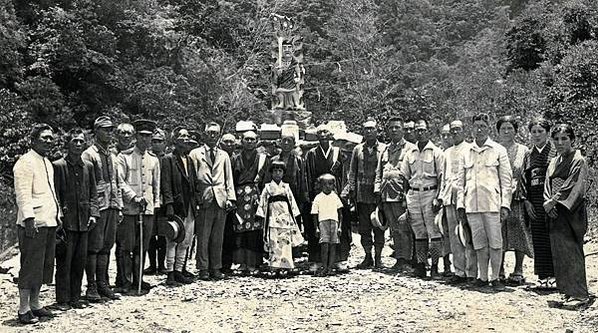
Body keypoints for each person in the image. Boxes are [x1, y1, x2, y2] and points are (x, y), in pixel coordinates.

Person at [456, 113, 512, 291]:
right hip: (472, 204)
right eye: (476, 126)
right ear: (472, 128)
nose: (479, 129)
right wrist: (460, 205)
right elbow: (460, 181)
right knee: (479, 243)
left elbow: (506, 181)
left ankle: (495, 277)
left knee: (495, 243)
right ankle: (482, 277)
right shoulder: (466, 151)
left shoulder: (498, 150)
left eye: (483, 126)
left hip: (493, 204)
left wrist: (505, 204)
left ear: (489, 129)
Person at [13, 123, 61, 324]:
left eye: (51, 138)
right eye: (44, 138)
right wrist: (29, 219)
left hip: (48, 221)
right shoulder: (25, 162)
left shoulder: (47, 162)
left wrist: (57, 216)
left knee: (43, 266)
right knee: (30, 266)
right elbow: (23, 194)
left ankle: (35, 303)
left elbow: (49, 193)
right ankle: (23, 309)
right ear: (33, 140)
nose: (48, 141)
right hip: (33, 223)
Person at [543, 124, 591, 308]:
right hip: (554, 210)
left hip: (571, 209)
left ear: (572, 139)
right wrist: (547, 203)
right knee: (559, 251)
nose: (560, 142)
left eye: (564, 138)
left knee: (572, 250)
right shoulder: (554, 161)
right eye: (556, 139)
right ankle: (566, 291)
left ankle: (580, 294)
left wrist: (553, 201)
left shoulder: (579, 160)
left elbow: (574, 186)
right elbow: (547, 184)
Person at [53, 128, 100, 309]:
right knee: (65, 261)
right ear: (68, 143)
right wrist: (59, 215)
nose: (78, 144)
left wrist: (94, 214)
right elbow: (55, 193)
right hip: (67, 222)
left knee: (80, 260)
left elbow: (93, 193)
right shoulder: (58, 166)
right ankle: (63, 299)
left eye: (81, 141)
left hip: (84, 221)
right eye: (75, 141)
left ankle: (75, 297)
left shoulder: (88, 166)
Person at [116, 119, 161, 294]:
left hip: (147, 209)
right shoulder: (124, 157)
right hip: (129, 208)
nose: (145, 140)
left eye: (148, 136)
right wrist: (134, 197)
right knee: (127, 246)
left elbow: (155, 184)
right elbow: (120, 181)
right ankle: (125, 281)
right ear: (136, 137)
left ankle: (138, 278)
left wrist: (155, 204)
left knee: (142, 245)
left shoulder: (154, 160)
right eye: (141, 136)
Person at [81, 116, 122, 301]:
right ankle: (91, 286)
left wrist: (119, 206)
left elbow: (117, 182)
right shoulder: (89, 154)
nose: (108, 133)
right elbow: (87, 184)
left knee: (107, 246)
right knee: (94, 247)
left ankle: (103, 283)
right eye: (105, 129)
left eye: (110, 129)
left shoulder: (112, 156)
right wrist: (92, 209)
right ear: (96, 131)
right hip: (98, 206)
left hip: (112, 205)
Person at [190, 122, 236, 280]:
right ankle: (203, 268)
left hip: (221, 197)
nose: (212, 136)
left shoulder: (224, 155)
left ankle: (216, 267)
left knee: (218, 236)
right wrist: (196, 198)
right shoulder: (195, 154)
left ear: (219, 136)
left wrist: (230, 198)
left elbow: (228, 178)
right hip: (205, 197)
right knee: (203, 236)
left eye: (215, 133)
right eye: (209, 132)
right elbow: (192, 179)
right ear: (204, 134)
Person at [400, 119, 444, 279]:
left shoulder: (436, 152)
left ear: (428, 131)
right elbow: (405, 176)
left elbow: (441, 177)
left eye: (422, 130)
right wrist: (405, 198)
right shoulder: (409, 153)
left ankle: (434, 266)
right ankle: (421, 264)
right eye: (417, 130)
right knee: (419, 232)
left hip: (430, 193)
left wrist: (438, 197)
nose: (419, 133)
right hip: (413, 194)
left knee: (434, 231)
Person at [342, 118, 386, 269]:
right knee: (364, 228)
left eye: (371, 129)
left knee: (378, 226)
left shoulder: (384, 149)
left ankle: (378, 258)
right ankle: (368, 256)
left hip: (377, 195)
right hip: (361, 195)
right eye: (366, 129)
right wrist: (352, 190)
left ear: (377, 131)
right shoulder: (357, 149)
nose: (369, 131)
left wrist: (381, 192)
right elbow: (352, 172)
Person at [374, 116, 416, 272]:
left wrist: (408, 195)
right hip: (386, 196)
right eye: (391, 127)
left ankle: (408, 260)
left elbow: (412, 174)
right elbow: (379, 172)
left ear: (403, 130)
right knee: (394, 229)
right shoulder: (385, 149)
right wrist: (377, 190)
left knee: (404, 228)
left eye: (397, 127)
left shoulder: (411, 149)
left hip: (401, 195)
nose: (394, 130)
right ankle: (399, 259)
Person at [496, 116, 533, 285]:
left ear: (516, 131)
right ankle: (499, 269)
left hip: (517, 197)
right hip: (496, 197)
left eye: (510, 128)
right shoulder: (493, 149)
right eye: (503, 128)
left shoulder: (524, 150)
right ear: (498, 131)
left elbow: (527, 175)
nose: (506, 131)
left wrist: (525, 197)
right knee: (499, 232)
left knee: (518, 229)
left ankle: (518, 270)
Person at [522, 118, 557, 289]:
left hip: (551, 200)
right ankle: (542, 276)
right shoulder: (528, 154)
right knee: (539, 239)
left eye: (540, 131)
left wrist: (554, 201)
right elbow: (524, 180)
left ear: (547, 133)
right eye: (534, 132)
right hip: (534, 201)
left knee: (554, 237)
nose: (537, 135)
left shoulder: (555, 152)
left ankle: (555, 275)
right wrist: (526, 202)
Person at [439, 120, 476, 284]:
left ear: (464, 131)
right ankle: (459, 271)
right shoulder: (446, 152)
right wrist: (441, 196)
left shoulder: (470, 149)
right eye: (452, 130)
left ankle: (472, 272)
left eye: (457, 130)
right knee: (454, 235)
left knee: (467, 234)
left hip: (466, 196)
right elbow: (443, 178)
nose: (454, 133)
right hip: (449, 195)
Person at [161, 127, 198, 285]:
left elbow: (193, 182)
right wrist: (169, 204)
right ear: (175, 140)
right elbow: (166, 183)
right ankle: (170, 273)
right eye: (181, 136)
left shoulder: (189, 159)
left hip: (188, 203)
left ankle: (179, 270)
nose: (184, 139)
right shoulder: (169, 159)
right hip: (176, 204)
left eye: (187, 136)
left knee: (186, 238)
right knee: (173, 237)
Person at [304, 124, 343, 270]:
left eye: (325, 131)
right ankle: (316, 259)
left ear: (330, 134)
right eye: (319, 132)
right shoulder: (311, 154)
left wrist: (342, 191)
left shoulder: (337, 152)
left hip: (334, 194)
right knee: (317, 228)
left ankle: (338, 259)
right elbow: (307, 174)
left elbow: (343, 173)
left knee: (337, 226)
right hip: (318, 194)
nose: (322, 134)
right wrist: (309, 193)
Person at [231, 131, 269, 276]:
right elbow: (232, 180)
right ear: (241, 140)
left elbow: (266, 180)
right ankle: (242, 262)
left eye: (252, 139)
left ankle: (254, 262)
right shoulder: (235, 158)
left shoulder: (263, 159)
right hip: (240, 196)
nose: (249, 142)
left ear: (257, 141)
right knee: (240, 230)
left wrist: (262, 198)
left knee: (255, 230)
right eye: (246, 139)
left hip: (255, 196)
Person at [257, 161, 304, 277]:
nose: (277, 173)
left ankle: (286, 266)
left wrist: (295, 215)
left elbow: (292, 202)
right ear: (271, 173)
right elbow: (263, 202)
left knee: (285, 243)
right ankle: (274, 266)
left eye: (280, 171)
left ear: (283, 173)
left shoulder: (286, 187)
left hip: (285, 217)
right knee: (274, 242)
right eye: (275, 171)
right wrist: (261, 215)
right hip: (272, 217)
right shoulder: (267, 187)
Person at [312, 174, 344, 277]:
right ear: (320, 185)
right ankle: (324, 267)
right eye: (324, 184)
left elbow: (340, 214)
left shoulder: (335, 197)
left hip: (334, 223)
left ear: (333, 185)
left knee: (333, 245)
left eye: (330, 184)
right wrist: (316, 227)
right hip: (323, 223)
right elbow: (314, 214)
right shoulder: (318, 197)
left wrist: (339, 227)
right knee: (324, 245)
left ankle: (330, 267)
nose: (327, 186)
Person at [145, 128, 167, 276]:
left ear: (164, 143)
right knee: (151, 234)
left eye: (159, 141)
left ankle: (162, 264)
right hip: (151, 199)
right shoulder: (148, 158)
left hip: (165, 201)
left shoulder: (167, 159)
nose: (156, 144)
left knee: (164, 233)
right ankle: (152, 264)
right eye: (154, 141)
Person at [220, 133, 238, 274]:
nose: (229, 145)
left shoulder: (237, 159)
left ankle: (227, 263)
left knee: (230, 234)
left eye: (232, 142)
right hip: (220, 199)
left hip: (236, 199)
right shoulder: (219, 157)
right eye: (226, 142)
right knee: (218, 233)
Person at [439, 123, 453, 276]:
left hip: (455, 198)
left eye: (448, 134)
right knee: (442, 232)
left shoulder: (463, 150)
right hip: (441, 197)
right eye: (443, 135)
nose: (446, 137)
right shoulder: (439, 152)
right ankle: (446, 265)